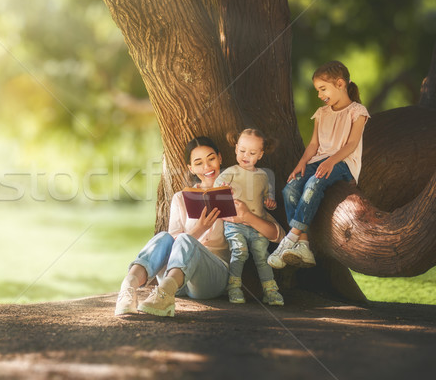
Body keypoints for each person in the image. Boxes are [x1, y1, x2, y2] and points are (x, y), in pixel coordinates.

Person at [115, 136, 285, 317]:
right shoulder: (181, 198)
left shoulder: (239, 195)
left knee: (185, 240)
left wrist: (247, 216)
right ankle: (127, 290)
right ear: (191, 168)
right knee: (164, 237)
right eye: (198, 163)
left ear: (220, 158)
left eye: (211, 159)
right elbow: (173, 244)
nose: (207, 167)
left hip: (210, 279)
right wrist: (201, 228)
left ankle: (163, 296)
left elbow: (279, 235)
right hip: (173, 281)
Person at [268, 60, 370, 269]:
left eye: (323, 89)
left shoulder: (357, 111)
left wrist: (332, 161)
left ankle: (289, 239)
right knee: (290, 189)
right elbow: (314, 144)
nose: (319, 95)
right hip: (318, 161)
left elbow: (351, 144)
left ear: (340, 84)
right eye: (317, 90)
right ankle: (304, 245)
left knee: (314, 184)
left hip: (343, 163)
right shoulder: (322, 113)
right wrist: (302, 163)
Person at [214, 129, 284, 305]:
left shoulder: (263, 176)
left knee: (262, 255)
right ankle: (234, 287)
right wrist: (224, 191)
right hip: (235, 224)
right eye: (243, 150)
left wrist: (270, 202)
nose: (246, 155)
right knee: (239, 251)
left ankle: (271, 291)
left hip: (257, 223)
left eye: (252, 153)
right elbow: (215, 194)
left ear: (260, 154)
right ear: (236, 148)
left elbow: (268, 197)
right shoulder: (229, 173)